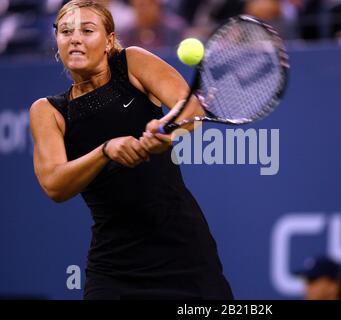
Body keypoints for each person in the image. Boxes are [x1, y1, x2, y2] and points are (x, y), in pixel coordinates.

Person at [29, 0, 233, 300]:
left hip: (182, 250)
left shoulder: (133, 63)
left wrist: (164, 127)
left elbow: (189, 106)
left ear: (110, 40)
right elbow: (54, 184)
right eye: (65, 31)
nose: (75, 38)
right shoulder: (48, 111)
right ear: (57, 41)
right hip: (114, 267)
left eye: (87, 30)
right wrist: (105, 152)